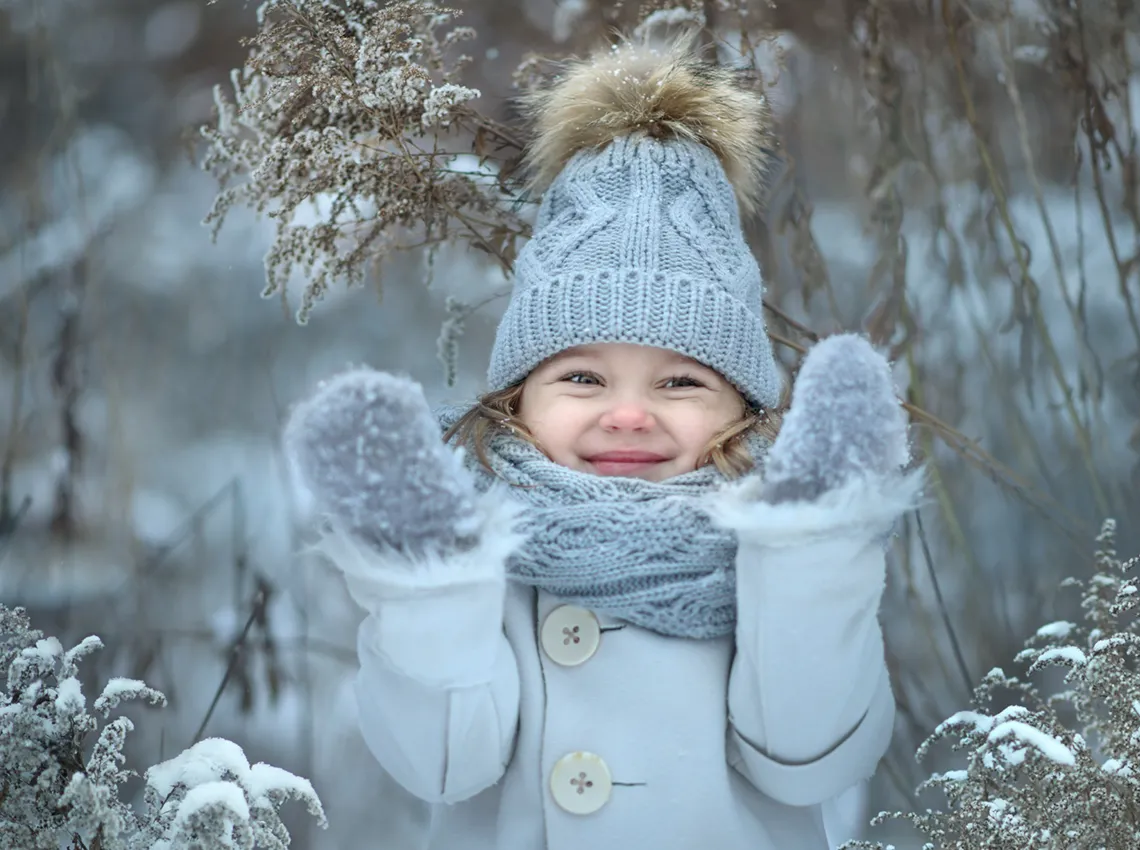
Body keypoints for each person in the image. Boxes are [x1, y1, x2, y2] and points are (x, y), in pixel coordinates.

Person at [282, 35, 922, 850]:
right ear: (517, 398)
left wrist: (814, 540)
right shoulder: (491, 553)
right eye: (582, 378)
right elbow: (443, 763)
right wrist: (427, 566)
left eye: (680, 383)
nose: (627, 415)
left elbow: (810, 757)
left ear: (747, 408)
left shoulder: (761, 555)